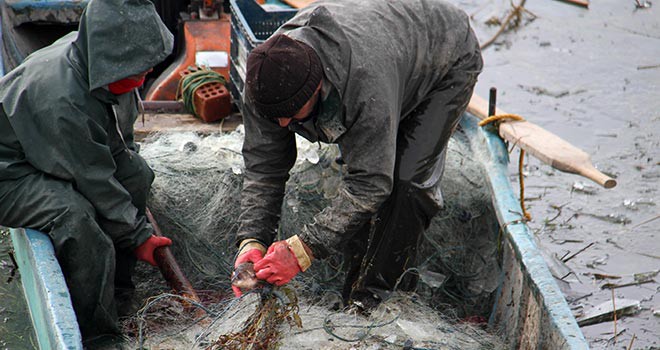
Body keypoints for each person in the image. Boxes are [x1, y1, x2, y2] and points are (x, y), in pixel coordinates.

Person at [232, 0, 483, 306]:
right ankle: (355, 278)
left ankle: (375, 301)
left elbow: (371, 183)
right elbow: (264, 169)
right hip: (384, 48)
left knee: (405, 184)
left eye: (292, 114)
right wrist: (252, 240)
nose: (283, 124)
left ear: (317, 89)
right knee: (365, 191)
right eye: (276, 118)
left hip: (445, 54)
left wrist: (303, 250)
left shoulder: (364, 86)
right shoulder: (265, 89)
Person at [0, 0, 174, 340]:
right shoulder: (64, 101)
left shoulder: (103, 68)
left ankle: (120, 293)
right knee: (78, 221)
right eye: (139, 68)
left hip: (49, 151)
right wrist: (139, 236)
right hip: (10, 172)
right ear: (114, 61)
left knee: (138, 175)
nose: (147, 74)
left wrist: (134, 226)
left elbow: (120, 150)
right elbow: (93, 179)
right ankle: (98, 333)